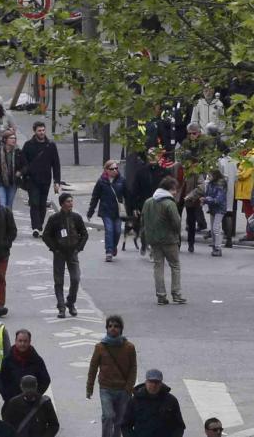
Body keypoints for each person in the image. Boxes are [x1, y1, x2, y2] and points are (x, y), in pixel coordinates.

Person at [87, 315, 138, 437]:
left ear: (121, 329)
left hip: (123, 389)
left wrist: (129, 387)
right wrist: (89, 388)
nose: (113, 328)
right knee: (108, 416)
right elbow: (93, 368)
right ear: (106, 329)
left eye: (116, 326)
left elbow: (133, 368)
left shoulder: (129, 347)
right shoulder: (100, 347)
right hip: (106, 389)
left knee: (120, 420)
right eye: (110, 326)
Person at [40, 192, 87, 317]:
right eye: (68, 201)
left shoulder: (76, 218)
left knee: (75, 279)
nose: (70, 203)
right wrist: (54, 248)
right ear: (62, 204)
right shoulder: (55, 219)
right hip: (60, 253)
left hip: (73, 253)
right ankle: (61, 306)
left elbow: (84, 233)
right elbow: (46, 235)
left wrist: (78, 248)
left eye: (71, 201)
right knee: (59, 280)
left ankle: (70, 302)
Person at [140, 176, 185, 304]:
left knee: (158, 266)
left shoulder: (148, 202)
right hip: (169, 239)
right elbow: (176, 222)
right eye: (174, 189)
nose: (176, 192)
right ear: (169, 189)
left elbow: (143, 220)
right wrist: (177, 235)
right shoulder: (170, 203)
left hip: (153, 239)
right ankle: (176, 293)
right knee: (175, 266)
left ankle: (161, 295)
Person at [19, 123, 61, 236]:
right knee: (34, 203)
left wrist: (57, 181)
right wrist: (24, 172)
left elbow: (56, 164)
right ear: (34, 131)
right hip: (32, 179)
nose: (41, 133)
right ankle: (35, 227)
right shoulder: (28, 145)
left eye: (43, 130)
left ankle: (40, 225)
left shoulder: (51, 145)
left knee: (42, 204)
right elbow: (23, 161)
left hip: (46, 179)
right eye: (39, 131)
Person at [120, 369, 185, 437]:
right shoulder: (135, 401)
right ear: (146, 382)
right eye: (151, 382)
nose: (154, 385)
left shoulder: (171, 401)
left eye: (157, 382)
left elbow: (179, 426)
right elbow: (126, 425)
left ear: (161, 383)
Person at [88, 160, 127, 261]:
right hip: (106, 210)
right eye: (112, 169)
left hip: (118, 211)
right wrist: (90, 211)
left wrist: (132, 209)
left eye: (116, 168)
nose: (114, 170)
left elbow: (128, 195)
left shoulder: (121, 180)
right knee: (109, 230)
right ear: (106, 170)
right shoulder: (101, 181)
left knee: (118, 231)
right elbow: (95, 197)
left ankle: (113, 247)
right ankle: (109, 251)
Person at [0, 331, 50, 401]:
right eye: (20, 341)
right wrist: (9, 399)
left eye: (25, 341)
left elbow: (45, 380)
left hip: (33, 402)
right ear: (15, 341)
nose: (22, 344)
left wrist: (36, 396)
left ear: (29, 342)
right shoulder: (7, 360)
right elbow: (2, 382)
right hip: (13, 402)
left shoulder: (37, 359)